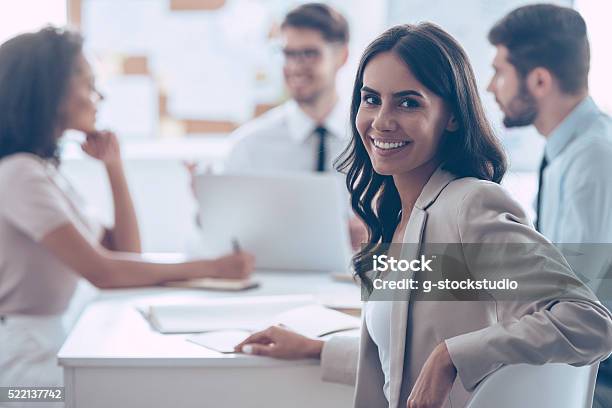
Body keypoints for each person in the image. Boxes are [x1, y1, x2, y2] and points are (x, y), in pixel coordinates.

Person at [235, 23, 612, 408]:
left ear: (451, 116)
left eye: (408, 102)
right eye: (370, 99)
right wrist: (317, 349)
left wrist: (452, 356)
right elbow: (404, 363)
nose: (381, 120)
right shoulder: (399, 214)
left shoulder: (471, 205)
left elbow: (590, 321)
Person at [0, 27, 254, 388]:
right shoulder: (20, 174)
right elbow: (104, 273)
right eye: (88, 83)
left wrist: (114, 168)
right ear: (51, 92)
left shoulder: (44, 171)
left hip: (44, 341)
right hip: (20, 364)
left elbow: (125, 252)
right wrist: (215, 268)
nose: (98, 95)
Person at [487, 5, 612, 407]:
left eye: (500, 71)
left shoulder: (594, 159)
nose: (492, 87)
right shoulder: (568, 150)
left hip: (595, 375)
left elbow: (573, 305)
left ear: (539, 80)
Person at [189, 3, 367, 249]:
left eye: (309, 53)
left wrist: (377, 235)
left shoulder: (372, 139)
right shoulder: (250, 145)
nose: (294, 66)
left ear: (342, 56)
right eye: (288, 53)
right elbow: (219, 235)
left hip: (354, 281)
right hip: (274, 282)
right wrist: (210, 205)